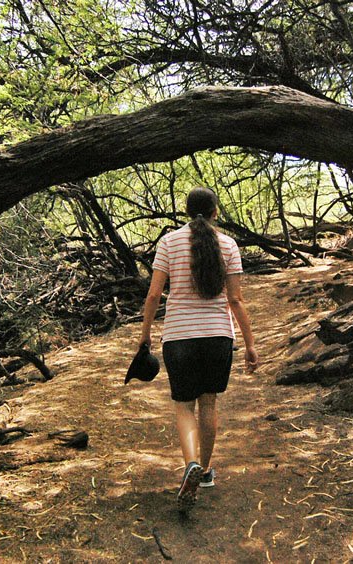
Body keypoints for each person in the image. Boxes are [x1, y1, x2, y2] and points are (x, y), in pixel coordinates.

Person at [138, 186, 259, 514]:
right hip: (218, 338)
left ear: (187, 211)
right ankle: (204, 472)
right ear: (216, 211)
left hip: (179, 338)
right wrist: (249, 344)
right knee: (209, 403)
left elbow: (153, 295)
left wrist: (145, 335)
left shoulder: (169, 242)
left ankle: (190, 462)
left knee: (184, 407)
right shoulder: (229, 245)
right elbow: (235, 300)